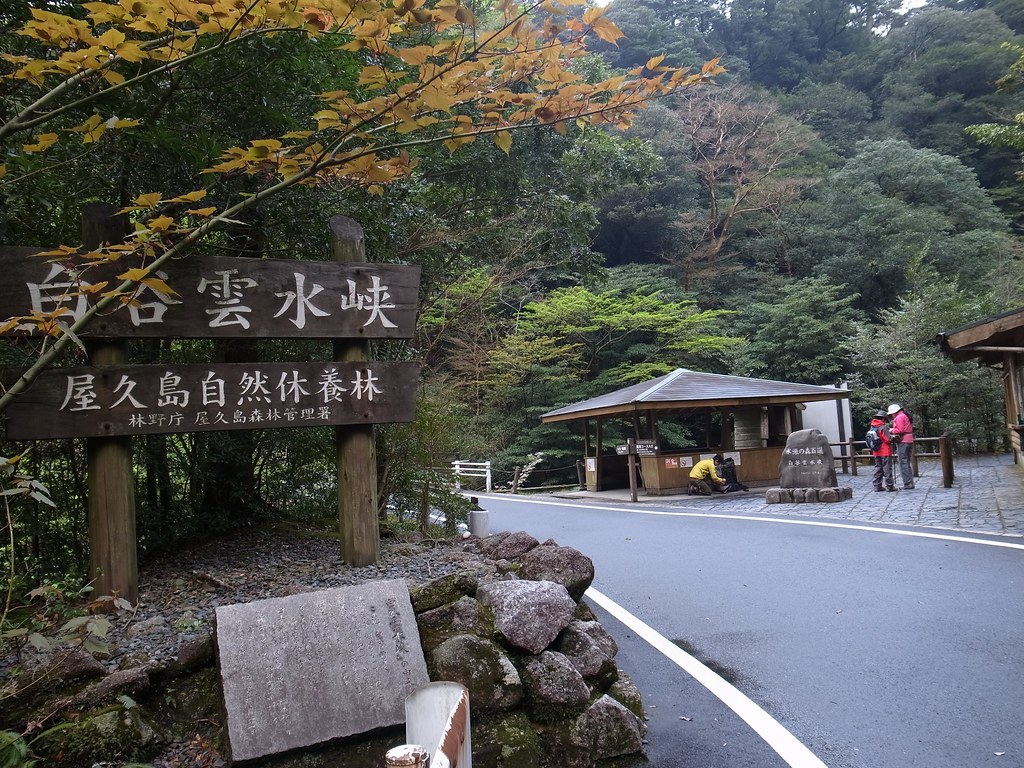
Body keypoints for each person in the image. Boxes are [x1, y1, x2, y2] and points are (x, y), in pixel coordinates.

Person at [887, 403, 915, 489]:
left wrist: (891, 430)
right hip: (909, 440)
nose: (891, 415)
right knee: (906, 462)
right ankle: (909, 482)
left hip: (903, 441)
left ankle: (907, 483)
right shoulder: (904, 416)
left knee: (903, 462)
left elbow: (900, 430)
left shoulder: (899, 417)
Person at [869, 410, 897, 492]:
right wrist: (893, 438)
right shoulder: (883, 427)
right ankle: (890, 486)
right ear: (884, 419)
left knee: (878, 468)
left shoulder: (873, 426)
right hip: (885, 450)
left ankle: (877, 486)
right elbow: (887, 439)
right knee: (887, 468)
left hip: (876, 451)